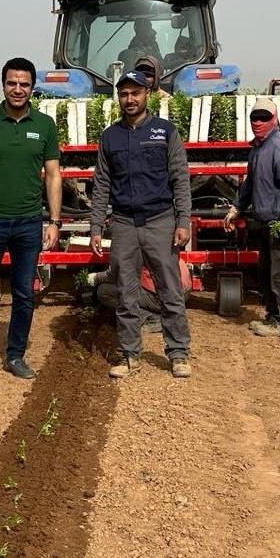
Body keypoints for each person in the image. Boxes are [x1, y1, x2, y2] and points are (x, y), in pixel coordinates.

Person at [0, 57, 63, 384]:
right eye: (12, 83)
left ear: (33, 87)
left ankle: (15, 355)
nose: (18, 89)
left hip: (28, 223)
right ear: (3, 85)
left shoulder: (44, 125)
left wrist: (54, 221)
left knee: (24, 294)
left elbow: (54, 175)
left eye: (24, 84)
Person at [89, 70, 192, 379]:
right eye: (124, 94)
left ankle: (178, 353)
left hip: (160, 221)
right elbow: (102, 185)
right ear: (119, 98)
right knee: (125, 292)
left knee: (170, 289)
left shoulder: (165, 131)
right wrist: (96, 227)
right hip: (123, 223)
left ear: (148, 94)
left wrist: (183, 221)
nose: (129, 99)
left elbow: (180, 180)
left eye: (135, 93)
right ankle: (130, 354)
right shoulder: (111, 136)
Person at [223, 97, 280, 336]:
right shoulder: (259, 149)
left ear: (275, 119)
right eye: (254, 117)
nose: (258, 122)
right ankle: (273, 317)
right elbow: (250, 184)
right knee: (268, 271)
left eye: (264, 117)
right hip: (267, 222)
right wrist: (236, 208)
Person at [85, 255, 191, 333]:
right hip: (184, 291)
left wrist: (95, 277)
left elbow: (119, 273)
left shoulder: (137, 243)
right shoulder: (159, 235)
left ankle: (152, 318)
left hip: (162, 296)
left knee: (105, 291)